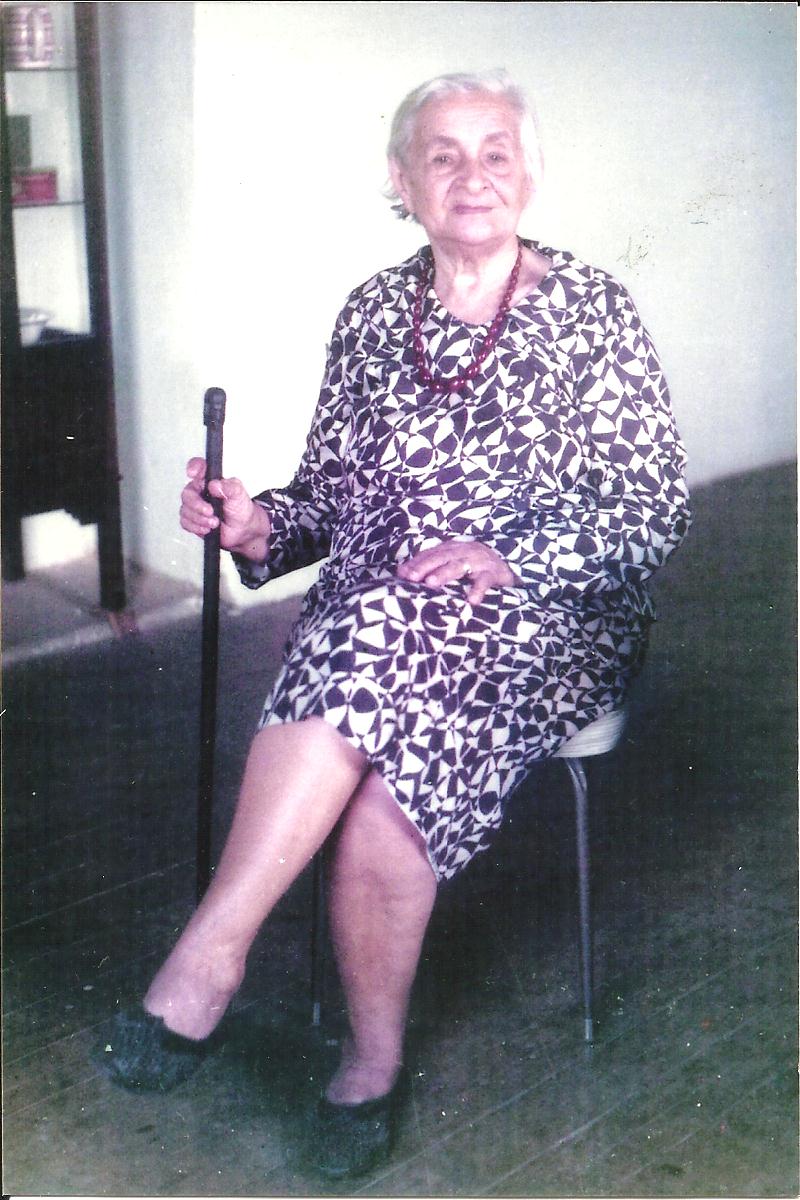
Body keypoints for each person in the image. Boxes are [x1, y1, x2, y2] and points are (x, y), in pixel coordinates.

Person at [103, 69, 691, 1177]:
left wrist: (511, 559)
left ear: (528, 174)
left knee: (377, 728)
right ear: (400, 180)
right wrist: (255, 523)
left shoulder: (593, 311)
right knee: (374, 636)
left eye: (495, 152)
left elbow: (649, 505)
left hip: (541, 613)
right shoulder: (374, 312)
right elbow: (329, 496)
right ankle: (314, 1024)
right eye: (442, 155)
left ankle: (247, 983)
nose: (473, 176)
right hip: (379, 620)